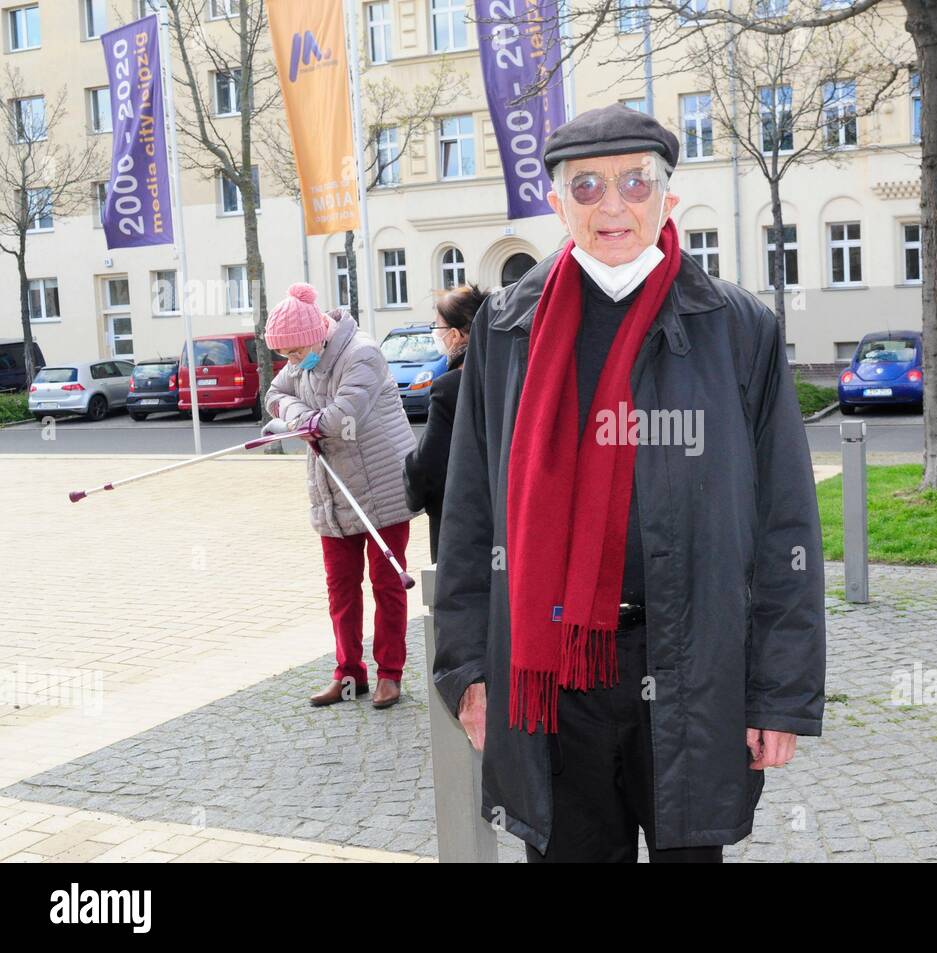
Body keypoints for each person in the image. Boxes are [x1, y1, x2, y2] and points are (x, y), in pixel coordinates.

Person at [432, 104, 826, 862]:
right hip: (551, 679)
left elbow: (787, 524)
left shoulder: (737, 327)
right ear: (557, 203)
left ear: (668, 197)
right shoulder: (508, 330)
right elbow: (469, 511)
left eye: (634, 182)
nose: (613, 204)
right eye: (587, 186)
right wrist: (467, 670)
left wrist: (779, 692)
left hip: (693, 666)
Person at [263, 283, 418, 710]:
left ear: (319, 333)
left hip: (380, 487)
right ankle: (349, 675)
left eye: (295, 354)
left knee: (388, 584)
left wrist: (303, 423)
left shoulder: (362, 354)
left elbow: (336, 420)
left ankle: (390, 674)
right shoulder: (302, 359)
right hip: (331, 490)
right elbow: (274, 395)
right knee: (341, 588)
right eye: (286, 357)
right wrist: (296, 416)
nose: (292, 364)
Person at [403, 284, 487, 564]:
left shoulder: (450, 387)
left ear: (454, 335)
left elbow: (429, 462)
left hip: (461, 522)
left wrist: (410, 478)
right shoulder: (507, 373)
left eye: (436, 328)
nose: (435, 335)